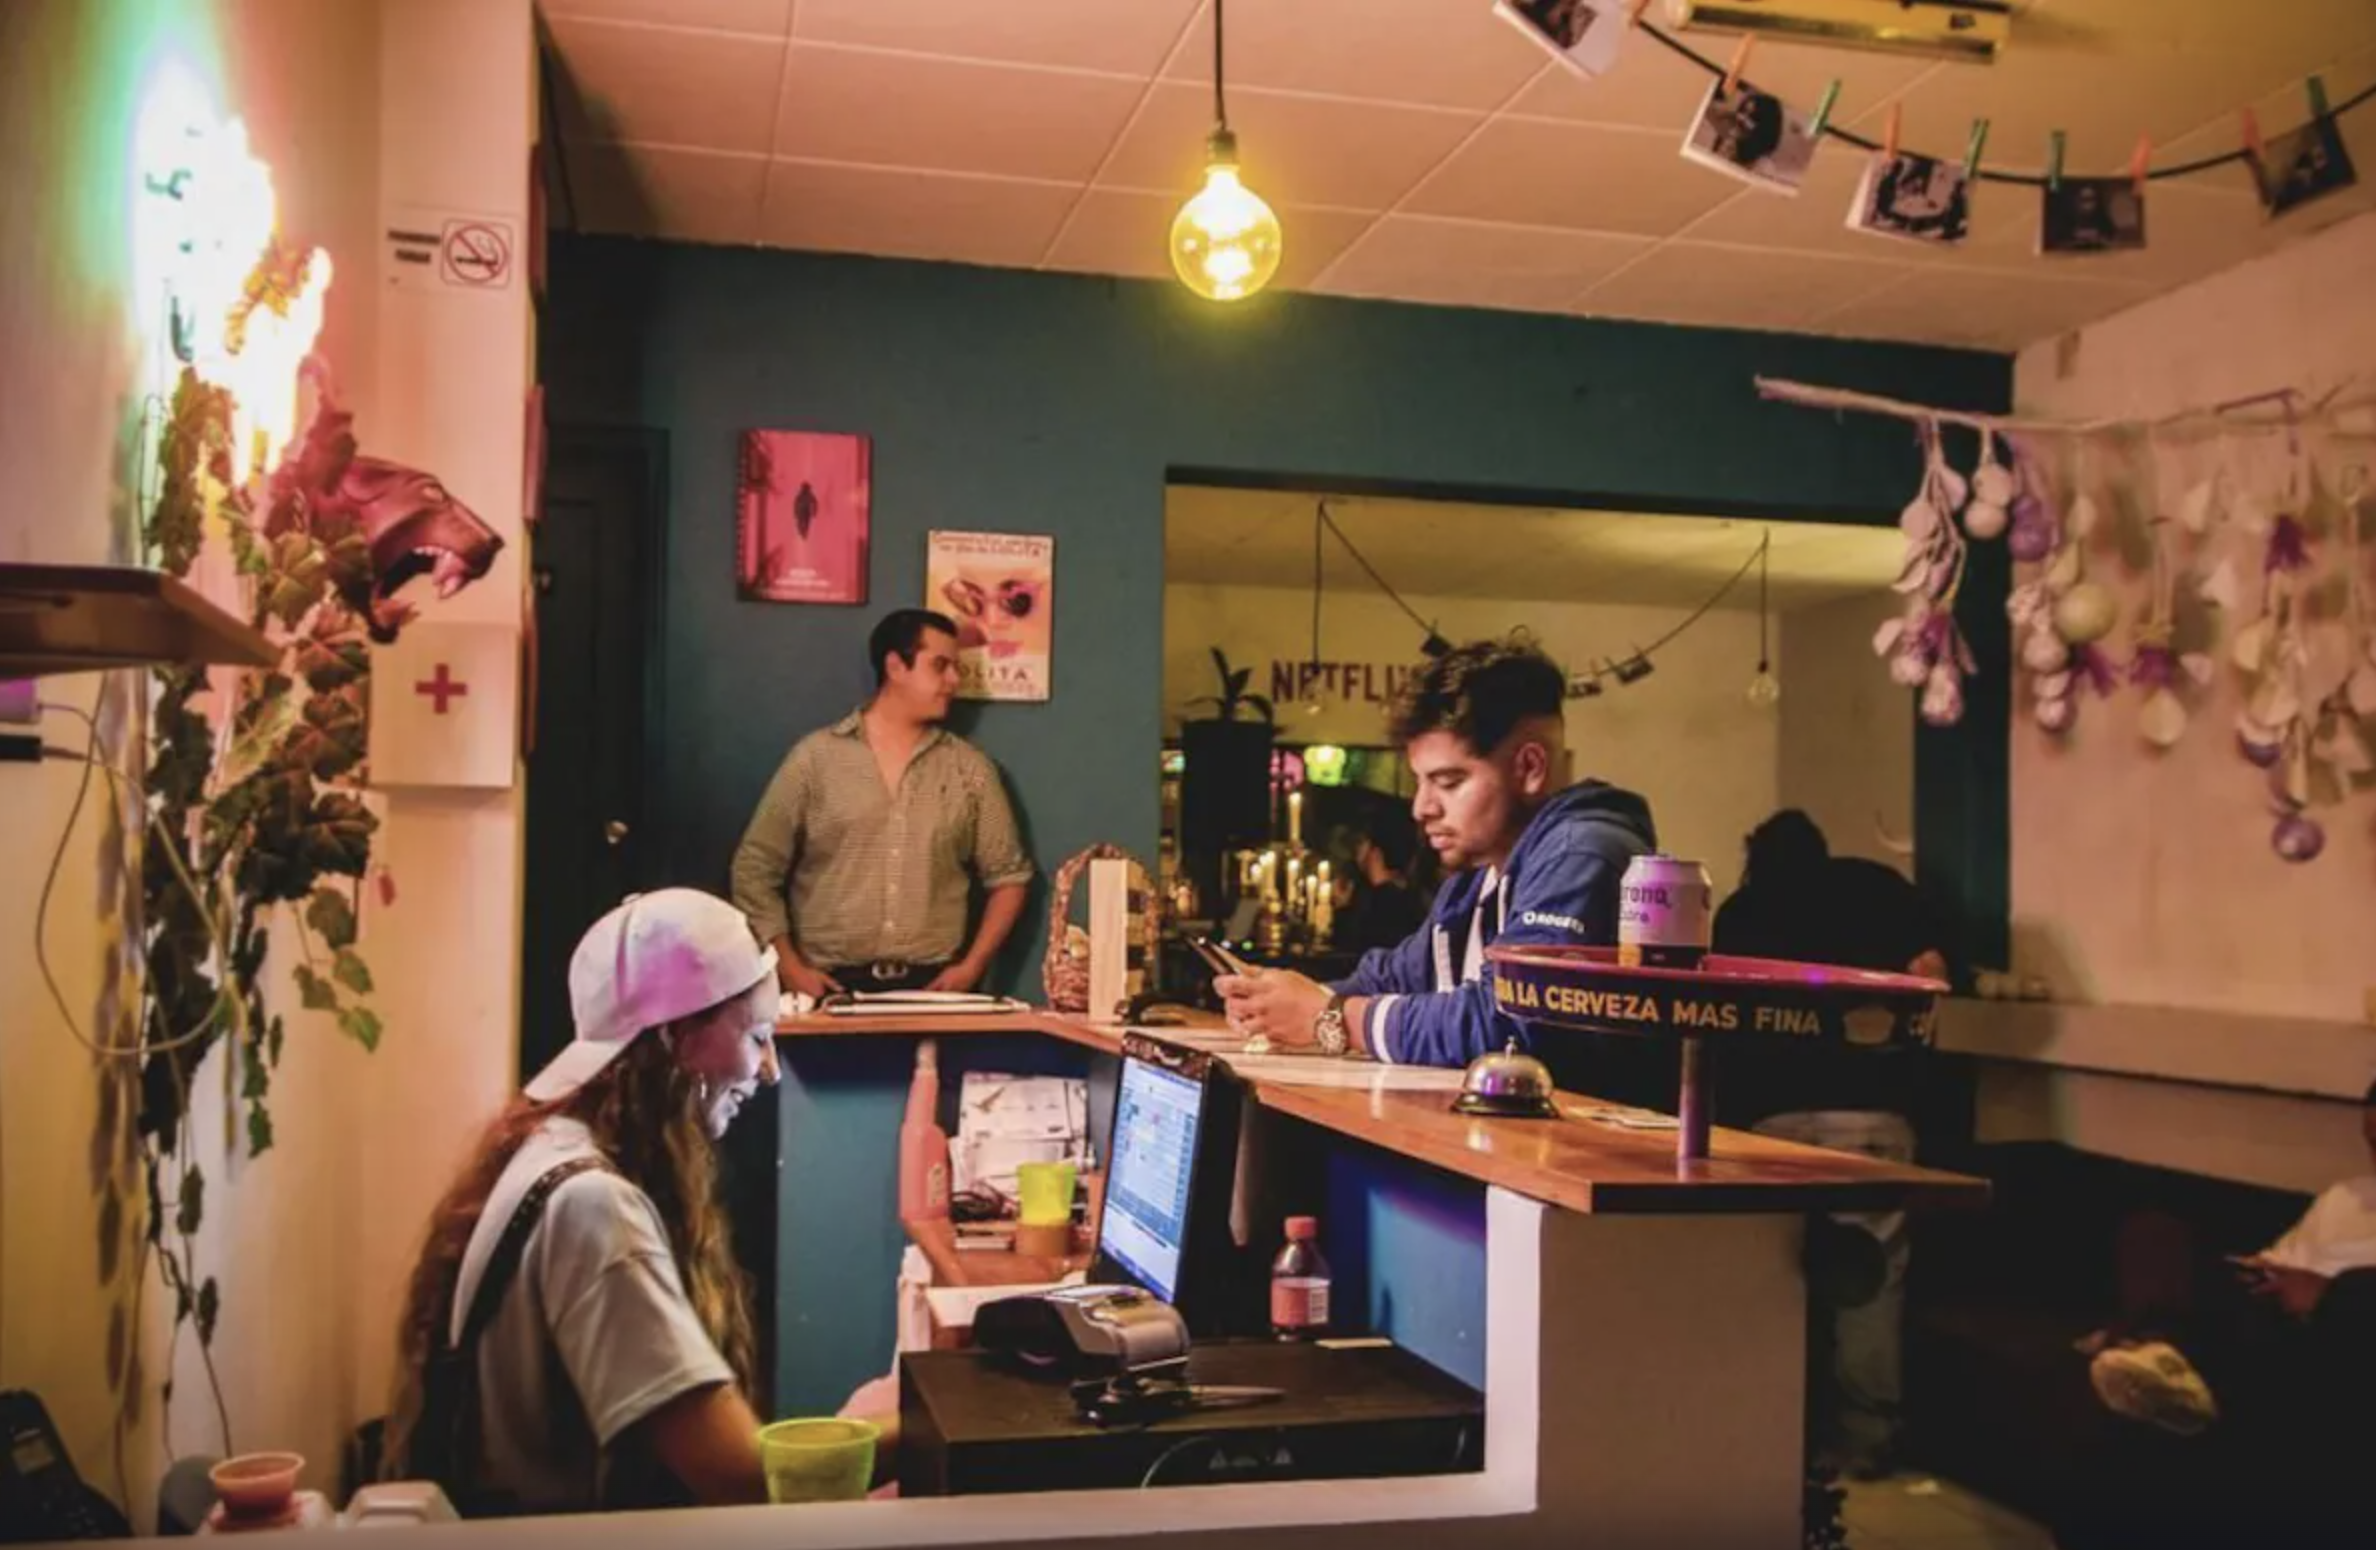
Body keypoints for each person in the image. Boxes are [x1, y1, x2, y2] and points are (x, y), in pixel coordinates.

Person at [382, 889, 865, 1514]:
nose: (769, 1070)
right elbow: (738, 1477)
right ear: (675, 1039)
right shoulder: (591, 1206)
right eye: (758, 1036)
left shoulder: (550, 1148)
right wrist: (894, 1426)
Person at [1215, 637, 1657, 1070]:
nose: (1421, 807)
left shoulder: (1581, 855)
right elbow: (1393, 976)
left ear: (1529, 768)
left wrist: (1328, 1018)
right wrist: (1277, 1001)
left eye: (1447, 782)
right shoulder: (1477, 879)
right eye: (1420, 782)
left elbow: (1510, 1022)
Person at [1709, 809, 1950, 1480]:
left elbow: (1721, 1020)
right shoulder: (1880, 891)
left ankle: (1769, 1435)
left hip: (1771, 1121)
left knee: (1772, 1285)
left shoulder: (1742, 910)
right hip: (1872, 1113)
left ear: (1755, 858)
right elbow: (1933, 976)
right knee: (1871, 1282)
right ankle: (1865, 1441)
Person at [732, 609, 1034, 999]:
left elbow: (1009, 877)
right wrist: (789, 968)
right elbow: (754, 869)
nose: (954, 681)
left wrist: (972, 967)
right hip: (829, 989)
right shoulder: (814, 760)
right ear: (895, 666)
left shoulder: (971, 770)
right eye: (940, 666)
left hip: (934, 990)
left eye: (955, 668)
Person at [1325, 814, 1427, 956]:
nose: (1356, 852)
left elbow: (1350, 952)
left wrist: (1342, 910)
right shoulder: (1410, 897)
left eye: (1361, 843)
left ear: (1374, 851)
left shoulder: (1381, 904)